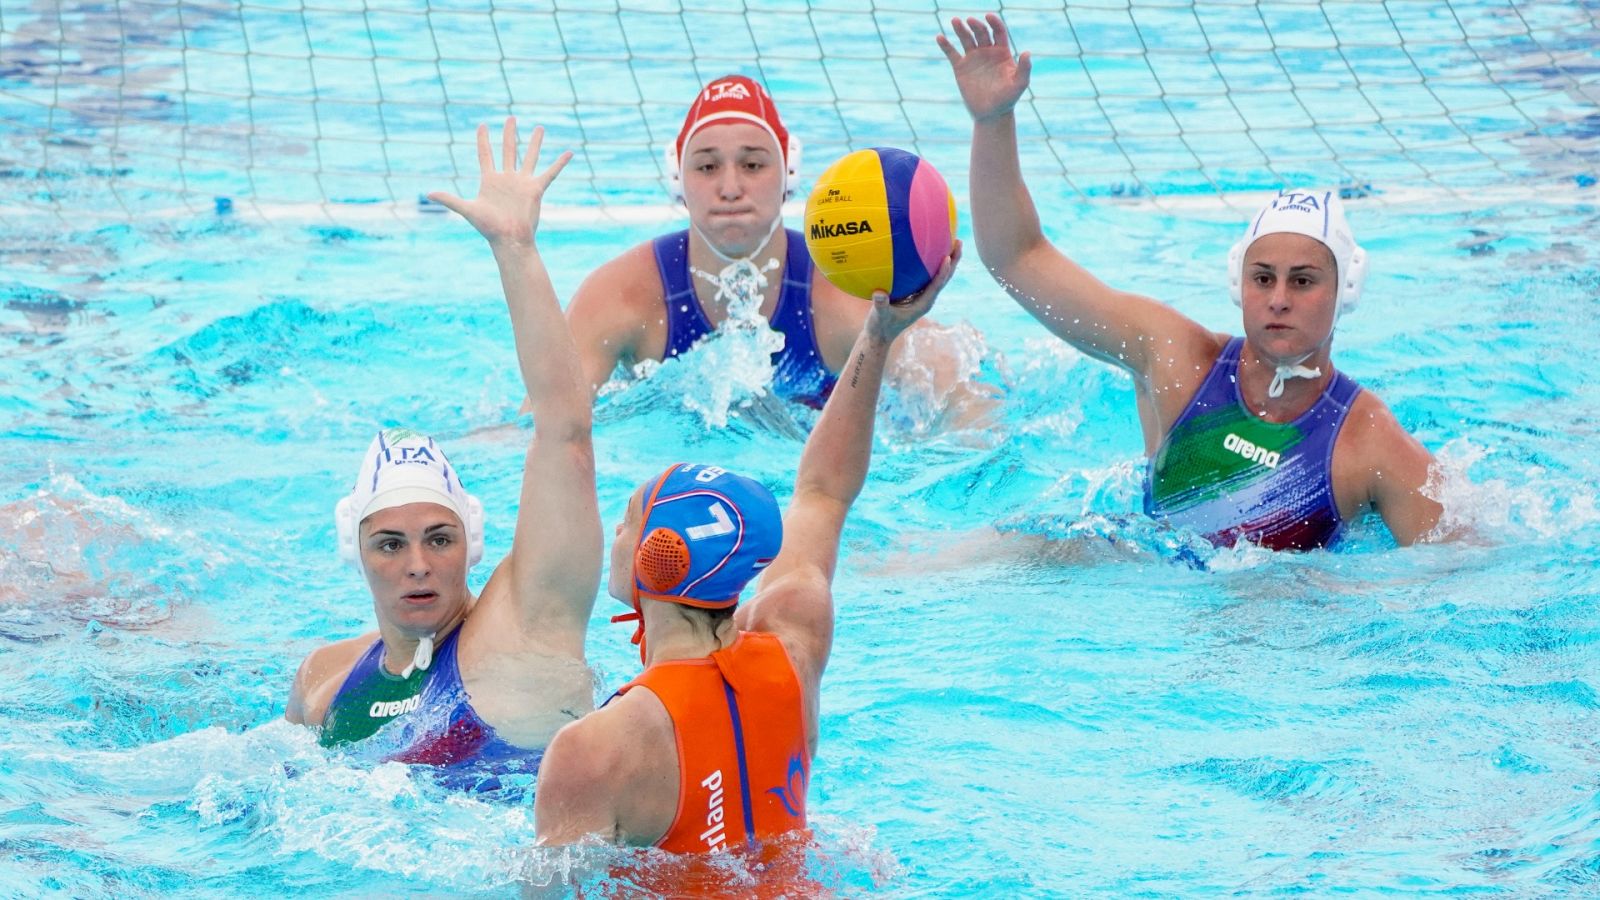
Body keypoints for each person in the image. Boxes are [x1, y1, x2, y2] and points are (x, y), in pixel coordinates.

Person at [938, 14, 1445, 550]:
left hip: (1284, 621)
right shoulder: (1178, 359)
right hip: (1141, 583)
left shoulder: (1369, 443)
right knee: (993, 552)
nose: (1278, 299)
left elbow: (1458, 575)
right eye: (1263, 277)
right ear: (1237, 282)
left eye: (1303, 281)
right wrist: (993, 121)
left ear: (1345, 291)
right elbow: (1017, 259)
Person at [531, 245, 960, 853]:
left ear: (662, 557)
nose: (614, 533)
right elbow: (824, 493)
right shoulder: (794, 643)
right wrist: (879, 335)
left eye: (628, 519)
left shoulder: (596, 750)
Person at [285, 120, 600, 787]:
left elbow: (566, 432)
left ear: (471, 540)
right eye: (390, 544)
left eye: (438, 538)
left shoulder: (524, 630)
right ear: (356, 550)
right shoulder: (322, 683)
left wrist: (515, 248)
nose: (418, 566)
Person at [564, 73, 992, 424]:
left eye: (752, 164)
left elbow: (965, 397)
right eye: (707, 166)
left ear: (788, 171)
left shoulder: (841, 293)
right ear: (679, 177)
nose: (730, 188)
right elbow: (546, 427)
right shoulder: (618, 295)